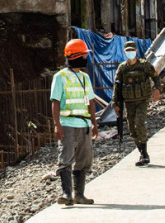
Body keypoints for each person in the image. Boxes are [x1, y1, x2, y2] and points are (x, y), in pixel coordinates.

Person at [50, 38, 99, 206]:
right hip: (68, 124)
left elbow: (90, 102)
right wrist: (57, 125)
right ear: (76, 56)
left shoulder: (85, 78)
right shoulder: (60, 77)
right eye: (84, 55)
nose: (86, 58)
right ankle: (66, 193)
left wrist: (94, 123)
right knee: (66, 158)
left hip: (84, 125)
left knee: (83, 160)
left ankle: (79, 194)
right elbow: (55, 102)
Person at [112, 40, 161, 166]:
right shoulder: (122, 68)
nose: (130, 53)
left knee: (139, 124)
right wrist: (115, 103)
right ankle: (141, 152)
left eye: (132, 51)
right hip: (129, 102)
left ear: (136, 51)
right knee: (132, 129)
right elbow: (117, 86)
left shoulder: (144, 65)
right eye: (128, 51)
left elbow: (155, 77)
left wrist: (157, 90)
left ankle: (144, 153)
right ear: (124, 52)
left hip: (142, 101)